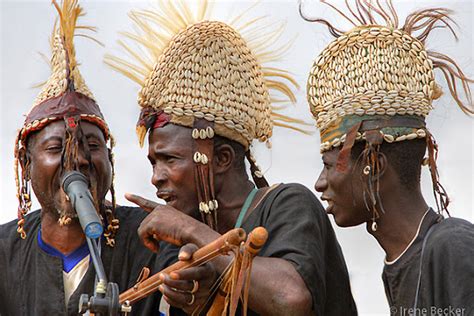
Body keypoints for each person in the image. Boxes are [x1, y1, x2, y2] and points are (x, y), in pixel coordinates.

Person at [106, 1, 357, 315]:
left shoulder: (289, 203)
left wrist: (188, 229)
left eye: (170, 159)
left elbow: (291, 299)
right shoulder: (190, 246)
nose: (156, 176)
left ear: (222, 158)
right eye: (153, 162)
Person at [0, 1, 209, 315]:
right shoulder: (4, 251)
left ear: (110, 161)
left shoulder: (153, 239)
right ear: (26, 165)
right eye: (56, 149)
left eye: (92, 147)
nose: (78, 161)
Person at [302, 1, 474, 315]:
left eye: (330, 165)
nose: (319, 183)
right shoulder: (399, 264)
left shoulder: (451, 249)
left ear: (374, 167)